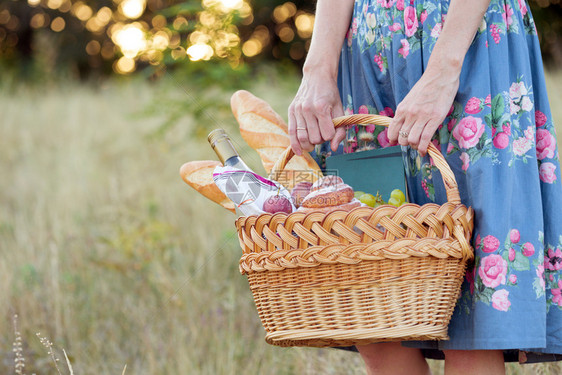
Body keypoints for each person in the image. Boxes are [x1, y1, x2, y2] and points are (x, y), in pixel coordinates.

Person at [288, 0, 562, 374]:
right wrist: (317, 68)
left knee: (471, 319)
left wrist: (444, 69)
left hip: (466, 37)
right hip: (367, 42)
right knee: (375, 306)